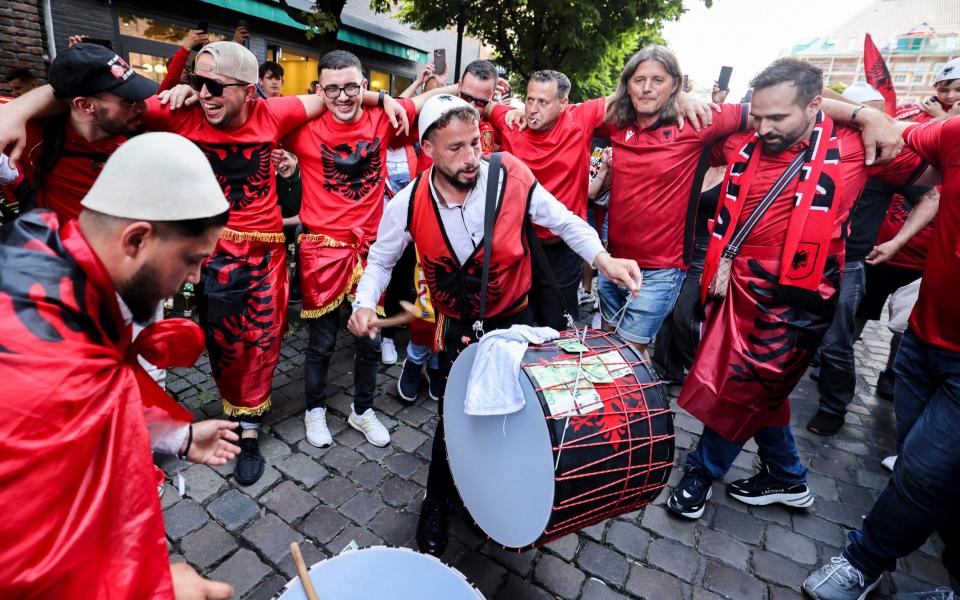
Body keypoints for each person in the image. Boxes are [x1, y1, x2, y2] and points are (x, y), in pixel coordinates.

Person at [348, 94, 642, 557]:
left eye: (474, 145)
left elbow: (565, 221)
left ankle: (504, 498)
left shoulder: (513, 179)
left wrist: (603, 258)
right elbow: (381, 261)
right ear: (427, 149)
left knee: (518, 416)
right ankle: (438, 501)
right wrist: (365, 302)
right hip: (456, 330)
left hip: (515, 322)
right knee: (454, 419)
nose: (471, 159)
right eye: (455, 149)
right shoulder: (406, 203)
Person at [667, 58, 925, 520]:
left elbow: (934, 180)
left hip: (796, 299)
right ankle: (786, 475)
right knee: (766, 392)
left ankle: (702, 472)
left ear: (813, 106)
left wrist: (868, 116)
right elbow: (687, 118)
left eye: (777, 118)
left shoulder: (855, 146)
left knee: (743, 388)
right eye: (758, 115)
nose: (763, 127)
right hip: (733, 288)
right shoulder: (744, 138)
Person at [0, 132, 236, 599]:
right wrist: (160, 590)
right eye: (192, 260)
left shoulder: (58, 264)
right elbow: (23, 574)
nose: (194, 279)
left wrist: (176, 436)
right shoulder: (47, 366)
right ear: (137, 238)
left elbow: (99, 396)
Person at [802, 115, 960, 600]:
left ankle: (862, 562)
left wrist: (895, 241)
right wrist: (867, 115)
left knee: (923, 472)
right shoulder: (955, 134)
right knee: (926, 464)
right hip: (922, 343)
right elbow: (814, 97)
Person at [281, 49, 422, 450]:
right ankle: (314, 410)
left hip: (368, 251)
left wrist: (383, 99)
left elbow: (432, 102)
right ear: (318, 90)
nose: (342, 97)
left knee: (370, 339)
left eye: (351, 88)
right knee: (322, 343)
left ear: (363, 85)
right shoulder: (304, 128)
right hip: (321, 251)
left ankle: (362, 410)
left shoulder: (383, 118)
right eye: (332, 89)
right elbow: (263, 112)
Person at [807, 83, 938, 436]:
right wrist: (865, 113)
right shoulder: (817, 139)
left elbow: (930, 197)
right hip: (800, 256)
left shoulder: (879, 154)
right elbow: (810, 87)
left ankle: (834, 406)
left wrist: (897, 241)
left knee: (837, 342)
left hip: (847, 262)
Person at [486, 70, 607, 328]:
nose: (532, 109)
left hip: (562, 247)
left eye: (543, 102)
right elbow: (479, 103)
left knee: (555, 323)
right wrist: (505, 109)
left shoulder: (580, 118)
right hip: (519, 245)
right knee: (517, 322)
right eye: (530, 100)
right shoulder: (511, 121)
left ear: (563, 104)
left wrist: (682, 100)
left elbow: (629, 98)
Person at [11, 44, 154, 222]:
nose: (144, 107)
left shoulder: (145, 129)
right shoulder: (35, 132)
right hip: (58, 245)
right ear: (85, 105)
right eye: (129, 101)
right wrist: (10, 114)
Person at [458, 60, 502, 153]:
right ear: (459, 86)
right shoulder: (438, 118)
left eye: (480, 102)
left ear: (492, 98)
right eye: (466, 97)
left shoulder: (490, 129)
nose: (471, 106)